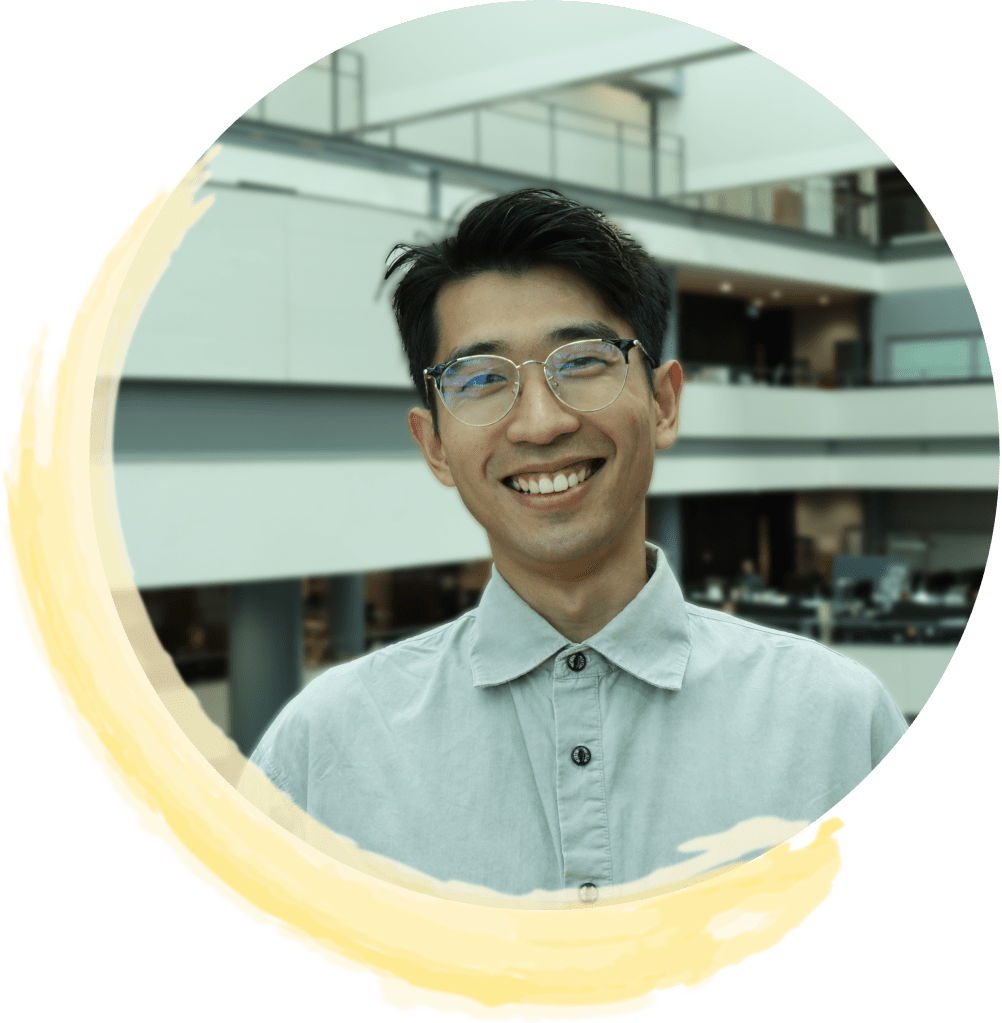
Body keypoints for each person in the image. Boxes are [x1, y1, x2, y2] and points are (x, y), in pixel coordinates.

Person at [250, 189, 907, 899]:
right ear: (434, 444)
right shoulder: (325, 747)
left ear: (663, 402)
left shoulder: (837, 723)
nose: (540, 423)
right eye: (480, 378)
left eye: (584, 361)